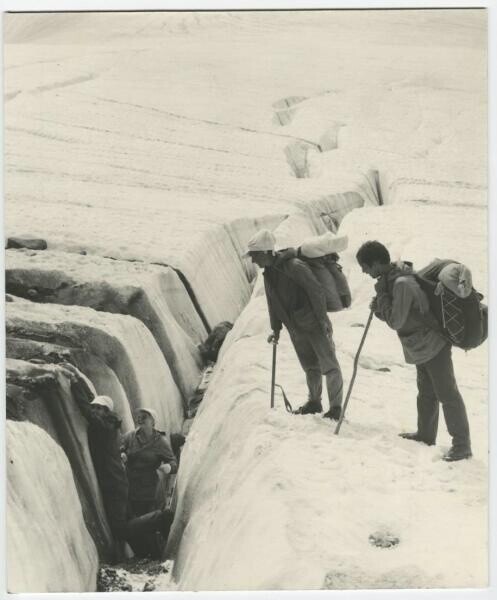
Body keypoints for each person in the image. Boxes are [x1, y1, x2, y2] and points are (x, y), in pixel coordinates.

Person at [355, 241, 472, 462]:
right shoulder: (392, 280)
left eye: (365, 266)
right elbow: (401, 315)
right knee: (426, 391)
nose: (364, 271)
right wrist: (381, 303)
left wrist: (381, 297)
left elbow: (396, 321)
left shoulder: (400, 283)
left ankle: (462, 445)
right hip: (419, 344)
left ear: (378, 263)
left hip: (432, 344)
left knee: (447, 393)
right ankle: (425, 435)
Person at [60, 363, 174, 559]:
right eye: (95, 407)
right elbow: (92, 403)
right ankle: (150, 552)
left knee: (120, 529)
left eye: (99, 408)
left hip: (115, 485)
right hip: (120, 482)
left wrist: (74, 382)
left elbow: (87, 410)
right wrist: (77, 376)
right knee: (130, 522)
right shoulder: (109, 422)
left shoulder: (104, 426)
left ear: (105, 411)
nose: (95, 410)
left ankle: (161, 518)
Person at [245, 229, 343, 419]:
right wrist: (276, 329)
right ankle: (314, 402)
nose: (253, 261)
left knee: (329, 365)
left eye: (255, 255)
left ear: (266, 252)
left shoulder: (295, 266)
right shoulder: (269, 274)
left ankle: (336, 408)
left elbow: (316, 292)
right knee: (310, 366)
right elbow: (272, 303)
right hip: (296, 328)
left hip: (314, 324)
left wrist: (323, 320)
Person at [121, 408, 178, 517]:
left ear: (153, 422)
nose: (140, 419)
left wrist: (169, 467)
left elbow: (173, 462)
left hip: (149, 491)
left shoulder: (160, 442)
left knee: (149, 519)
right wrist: (122, 453)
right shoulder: (130, 436)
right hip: (129, 487)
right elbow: (120, 446)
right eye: (139, 416)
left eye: (144, 417)